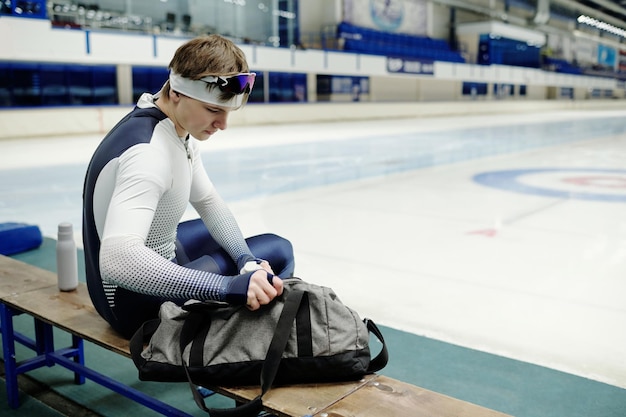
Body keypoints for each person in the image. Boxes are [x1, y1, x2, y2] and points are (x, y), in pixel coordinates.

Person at [82, 35, 295, 339]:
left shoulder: (168, 126)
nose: (223, 124)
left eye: (228, 112)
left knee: (228, 241)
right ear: (179, 93)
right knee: (278, 249)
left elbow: (208, 202)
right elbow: (117, 261)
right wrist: (226, 286)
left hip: (138, 276)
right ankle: (253, 336)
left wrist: (244, 259)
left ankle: (243, 287)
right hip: (134, 306)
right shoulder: (149, 153)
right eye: (213, 110)